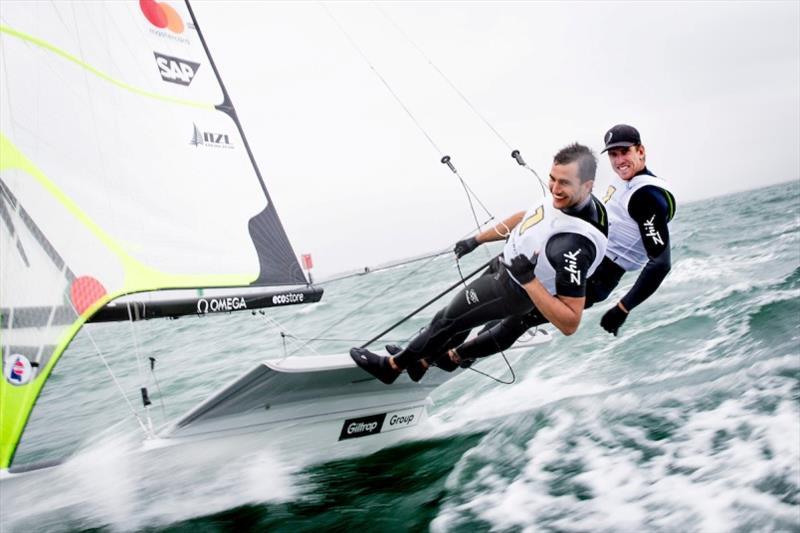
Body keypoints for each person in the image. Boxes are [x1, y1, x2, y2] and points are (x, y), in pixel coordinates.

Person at [350, 143, 609, 384]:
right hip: (504, 267)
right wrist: (477, 240)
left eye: (564, 183)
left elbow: (570, 322)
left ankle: (392, 367)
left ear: (587, 186)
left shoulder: (574, 245)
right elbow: (528, 216)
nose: (554, 189)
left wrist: (528, 279)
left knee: (447, 320)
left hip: (514, 288)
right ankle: (421, 361)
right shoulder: (568, 199)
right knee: (461, 322)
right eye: (552, 179)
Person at [435, 124, 677, 371]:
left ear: (641, 151)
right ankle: (435, 349)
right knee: (500, 297)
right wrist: (476, 240)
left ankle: (453, 358)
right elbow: (532, 215)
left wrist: (623, 308)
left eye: (624, 152)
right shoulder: (624, 183)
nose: (619, 160)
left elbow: (660, 263)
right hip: (570, 252)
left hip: (598, 274)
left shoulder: (646, 197)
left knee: (519, 319)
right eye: (613, 155)